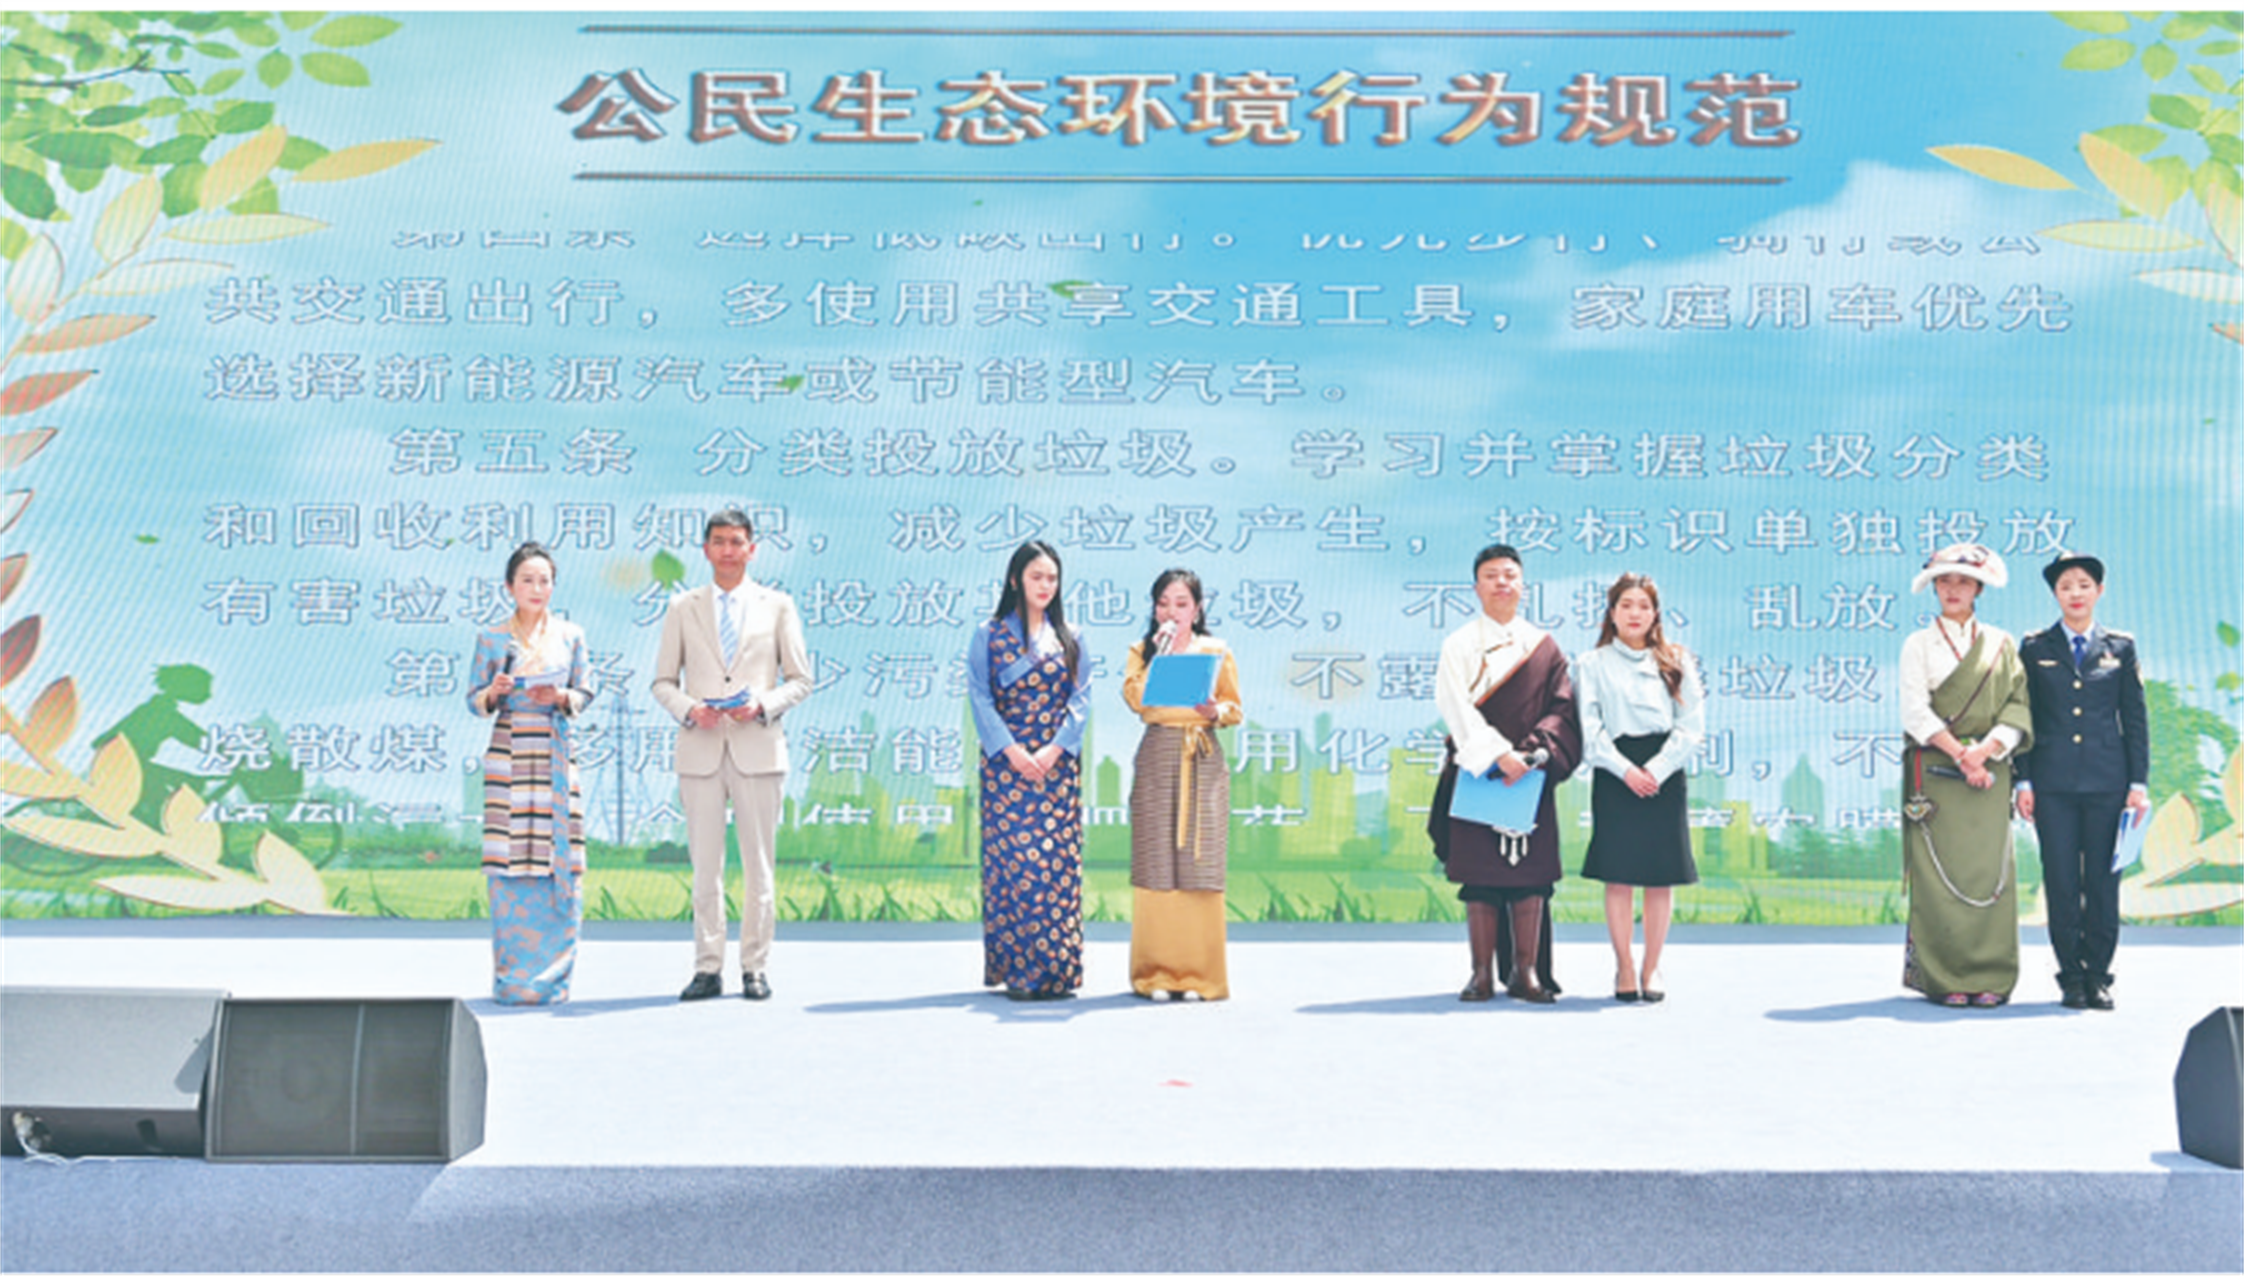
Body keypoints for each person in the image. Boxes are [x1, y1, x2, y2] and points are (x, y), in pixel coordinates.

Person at [651, 510, 813, 1002]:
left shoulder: (778, 606)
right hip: (700, 749)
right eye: (719, 541)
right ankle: (707, 968)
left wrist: (761, 705)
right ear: (705, 550)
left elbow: (800, 680)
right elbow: (662, 682)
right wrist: (689, 709)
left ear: (752, 549)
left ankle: (754, 968)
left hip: (757, 748)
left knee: (760, 866)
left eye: (736, 541)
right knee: (706, 868)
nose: (728, 550)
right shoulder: (683, 607)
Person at [1428, 544, 1583, 1003]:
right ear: (1476, 587)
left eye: (1510, 575)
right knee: (1479, 878)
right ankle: (1480, 975)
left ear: (1523, 585)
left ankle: (1525, 973)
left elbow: (1561, 708)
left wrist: (1530, 755)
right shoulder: (1458, 644)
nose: (1502, 583)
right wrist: (1498, 755)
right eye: (1491, 575)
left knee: (1531, 877)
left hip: (1530, 777)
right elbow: (1455, 706)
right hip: (1477, 770)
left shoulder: (1543, 646)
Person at [1899, 543, 2034, 1007]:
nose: (1952, 589)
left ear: (1979, 588)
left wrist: (1985, 751)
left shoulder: (2001, 643)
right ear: (1933, 588)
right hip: (1937, 773)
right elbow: (1914, 711)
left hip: (1989, 773)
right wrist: (1962, 756)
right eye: (1944, 581)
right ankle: (1945, 978)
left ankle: (1992, 976)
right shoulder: (1917, 644)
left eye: (1963, 581)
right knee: (1937, 876)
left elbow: (2018, 706)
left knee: (1989, 875)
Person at [2014, 551, 2149, 1010]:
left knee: (2103, 886)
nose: (2075, 593)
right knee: (2062, 884)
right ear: (2055, 594)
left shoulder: (2120, 647)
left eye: (2084, 585)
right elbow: (2025, 717)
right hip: (2051, 786)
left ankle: (2099, 977)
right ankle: (2071, 977)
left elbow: (2134, 719)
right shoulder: (2035, 647)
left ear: (2099, 591)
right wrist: (2023, 782)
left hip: (2109, 785)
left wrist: (2138, 784)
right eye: (2066, 586)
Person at [467, 542, 596, 1006]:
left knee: (560, 859)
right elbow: (473, 700)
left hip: (555, 753)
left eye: (544, 580)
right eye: (527, 580)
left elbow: (585, 690)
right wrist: (494, 691)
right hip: (509, 753)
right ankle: (513, 980)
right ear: (509, 586)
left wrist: (561, 697)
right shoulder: (492, 638)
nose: (536, 588)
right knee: (509, 859)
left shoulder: (571, 635)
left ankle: (554, 981)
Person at [967, 541, 1092, 1001]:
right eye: (1037, 576)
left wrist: (1055, 749)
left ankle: (1059, 972)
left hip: (1057, 770)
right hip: (1007, 769)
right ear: (1015, 579)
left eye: (1052, 578)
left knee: (1057, 868)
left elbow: (1081, 699)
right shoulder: (989, 634)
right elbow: (980, 697)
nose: (1045, 585)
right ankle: (1021, 972)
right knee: (1016, 867)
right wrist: (1013, 751)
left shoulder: (1071, 636)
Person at [1574, 573, 1704, 1005]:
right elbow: (1589, 727)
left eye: (1644, 606)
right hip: (1615, 772)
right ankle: (1624, 966)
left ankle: (1652, 966)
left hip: (1664, 772)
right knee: (1619, 876)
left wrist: (1658, 769)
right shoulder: (1591, 664)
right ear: (1611, 612)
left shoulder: (1676, 660)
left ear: (1655, 614)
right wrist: (1624, 769)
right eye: (1626, 605)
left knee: (1660, 877)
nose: (1635, 613)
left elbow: (1691, 726)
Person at [1121, 568, 1243, 1001]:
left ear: (1198, 608)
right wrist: (1158, 657)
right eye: (1163, 603)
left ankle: (1200, 975)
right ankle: (1154, 974)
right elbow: (1135, 699)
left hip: (1201, 756)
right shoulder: (1141, 650)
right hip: (1158, 753)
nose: (1171, 612)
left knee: (1200, 861)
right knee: (1155, 860)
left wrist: (1214, 712)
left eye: (1181, 603)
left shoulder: (1216, 650)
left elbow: (1234, 708)